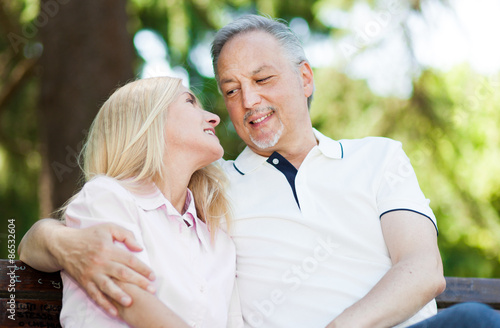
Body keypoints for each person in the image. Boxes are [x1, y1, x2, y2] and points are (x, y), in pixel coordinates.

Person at [19, 15, 500, 328]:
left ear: (305, 78)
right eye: (229, 90)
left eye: (263, 79)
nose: (247, 101)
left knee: (475, 322)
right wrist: (60, 240)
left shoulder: (379, 156)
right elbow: (67, 227)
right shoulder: (213, 186)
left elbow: (422, 269)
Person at [39, 76, 241, 327]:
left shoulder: (219, 241)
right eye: (190, 102)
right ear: (149, 121)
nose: (214, 118)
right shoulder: (108, 198)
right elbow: (130, 300)